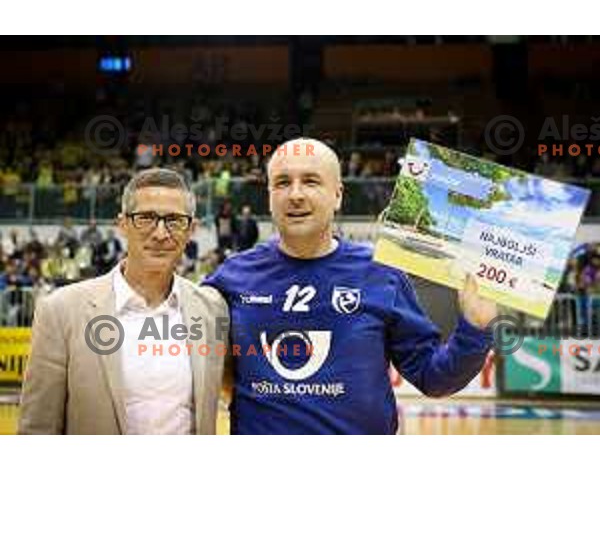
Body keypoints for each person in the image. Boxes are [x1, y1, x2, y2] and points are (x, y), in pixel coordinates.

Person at [204, 138, 497, 434]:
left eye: (311, 181)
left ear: (338, 195)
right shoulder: (231, 277)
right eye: (282, 183)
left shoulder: (382, 273)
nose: (295, 195)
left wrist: (475, 327)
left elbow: (433, 378)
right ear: (269, 196)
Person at [19, 168, 229, 435]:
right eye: (146, 218)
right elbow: (37, 429)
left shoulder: (213, 309)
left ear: (192, 230)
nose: (161, 233)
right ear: (122, 225)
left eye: (174, 220)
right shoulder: (61, 311)